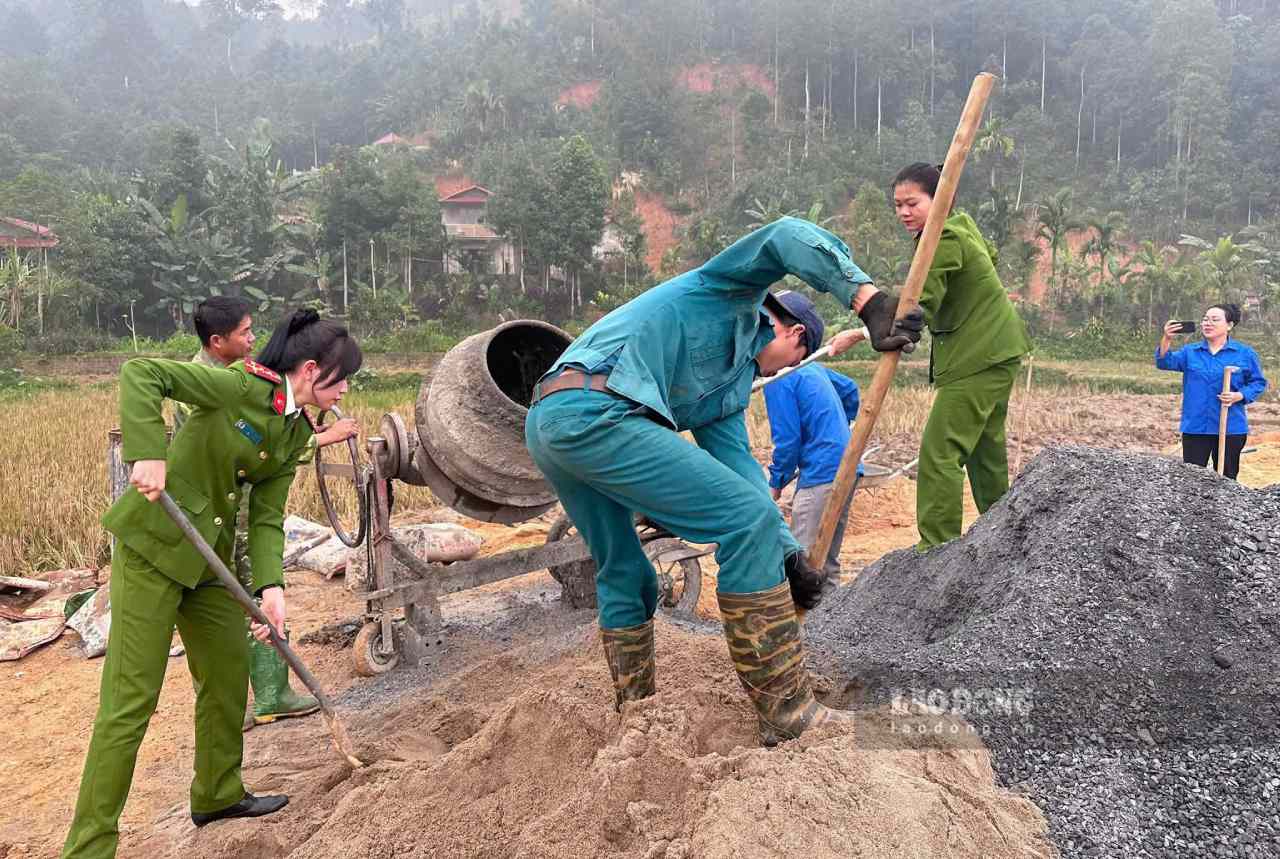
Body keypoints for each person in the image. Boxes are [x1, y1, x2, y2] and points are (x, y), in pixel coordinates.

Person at [524, 217, 922, 746]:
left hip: (553, 421)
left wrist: (789, 556)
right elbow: (785, 235)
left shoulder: (728, 390)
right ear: (794, 335)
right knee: (746, 524)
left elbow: (740, 471)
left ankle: (635, 719)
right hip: (596, 408)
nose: (787, 371)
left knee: (626, 571)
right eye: (796, 361)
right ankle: (789, 717)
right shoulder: (729, 291)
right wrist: (867, 299)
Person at [62, 309, 362, 858]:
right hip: (154, 549)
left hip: (208, 563)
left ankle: (218, 793)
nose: (345, 390)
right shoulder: (237, 384)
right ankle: (89, 846)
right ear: (313, 370)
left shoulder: (294, 428)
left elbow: (268, 516)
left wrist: (272, 588)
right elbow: (142, 373)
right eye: (341, 379)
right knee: (131, 701)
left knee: (227, 674)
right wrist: (147, 451)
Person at [179, 297, 358, 729]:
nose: (252, 339)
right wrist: (326, 436)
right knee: (226, 608)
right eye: (244, 333)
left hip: (241, 515)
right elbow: (254, 449)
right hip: (211, 517)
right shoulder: (225, 385)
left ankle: (255, 698)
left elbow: (270, 500)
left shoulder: (276, 401)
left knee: (259, 596)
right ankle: (243, 701)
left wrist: (272, 585)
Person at [886, 162, 1030, 551]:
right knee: (985, 454)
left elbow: (925, 298)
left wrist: (907, 320)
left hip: (978, 354)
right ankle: (1005, 538)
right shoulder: (959, 227)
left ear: (941, 198)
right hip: (997, 350)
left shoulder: (944, 236)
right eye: (897, 205)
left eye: (912, 203)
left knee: (940, 451)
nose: (903, 212)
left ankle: (936, 550)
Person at [762, 291, 865, 580]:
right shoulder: (813, 369)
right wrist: (840, 430)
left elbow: (788, 441)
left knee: (803, 561)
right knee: (826, 560)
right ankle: (829, 619)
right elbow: (849, 390)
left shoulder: (778, 377)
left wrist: (776, 483)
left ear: (796, 334)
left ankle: (806, 624)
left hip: (822, 473)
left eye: (769, 326)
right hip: (847, 466)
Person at [1157, 304, 1269, 480]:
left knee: (1226, 480)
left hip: (1230, 428)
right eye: (1205, 319)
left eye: (1214, 320)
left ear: (1229, 325)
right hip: (1196, 427)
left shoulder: (1244, 354)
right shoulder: (1190, 352)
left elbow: (1258, 382)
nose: (1207, 323)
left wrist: (1238, 396)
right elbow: (1164, 362)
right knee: (1192, 480)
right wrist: (1166, 339)